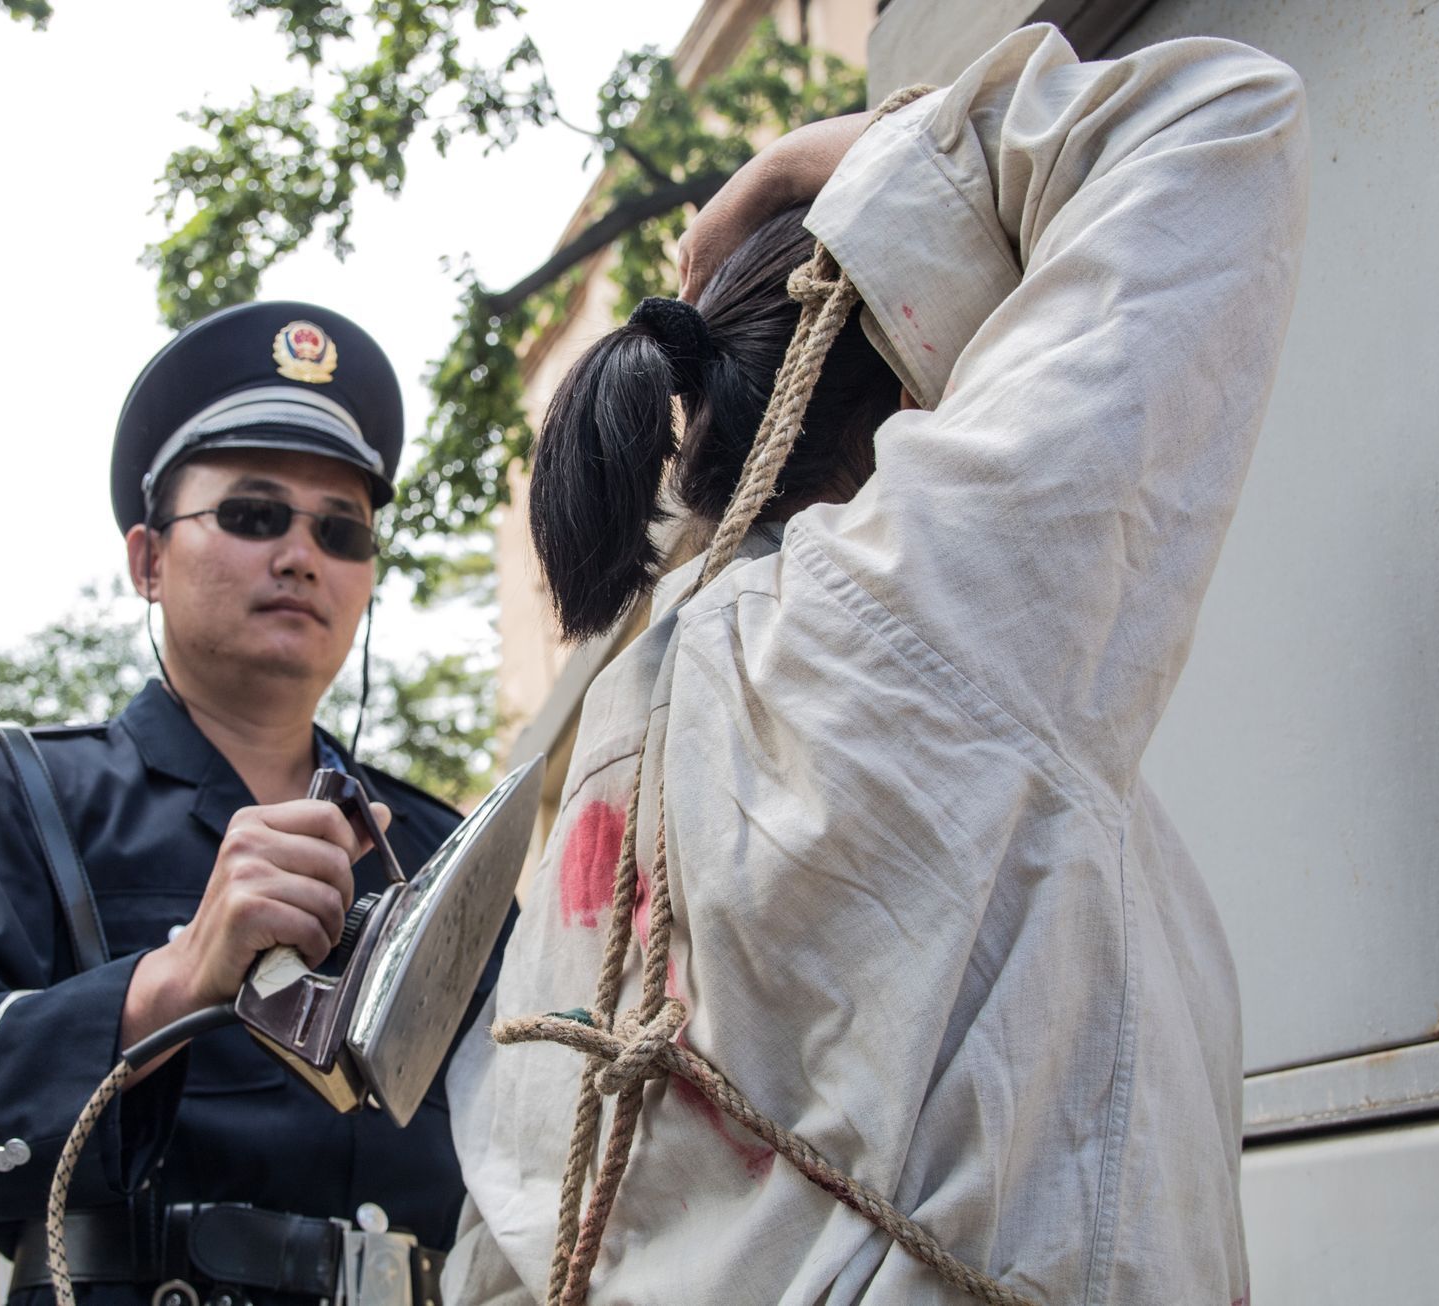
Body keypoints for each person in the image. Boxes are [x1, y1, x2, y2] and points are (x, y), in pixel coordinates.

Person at [446, 24, 1305, 1305]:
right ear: (920, 396)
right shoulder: (918, 596)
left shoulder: (626, 712)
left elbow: (510, 1233)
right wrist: (858, 160)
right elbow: (1223, 118)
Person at [0, 301, 508, 1306]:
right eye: (253, 514)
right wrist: (169, 983)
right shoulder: (7, 795)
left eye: (342, 528)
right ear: (147, 559)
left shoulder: (441, 851)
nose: (301, 554)